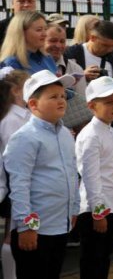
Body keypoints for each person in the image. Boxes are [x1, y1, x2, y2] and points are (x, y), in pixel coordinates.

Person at [4, 70, 78, 278]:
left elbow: (72, 173)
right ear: (34, 104)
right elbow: (19, 184)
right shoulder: (24, 137)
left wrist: (74, 208)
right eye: (53, 97)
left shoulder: (65, 134)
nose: (61, 100)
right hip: (36, 228)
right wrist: (26, 226)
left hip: (60, 224)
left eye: (63, 96)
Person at [75, 77, 113, 279]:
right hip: (95, 209)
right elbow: (91, 177)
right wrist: (99, 213)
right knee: (92, 259)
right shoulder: (90, 135)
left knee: (104, 257)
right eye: (108, 102)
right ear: (91, 105)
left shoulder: (112, 132)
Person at [0, 67, 30, 279]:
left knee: (16, 230)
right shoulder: (11, 118)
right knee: (12, 232)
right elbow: (14, 152)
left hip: (20, 178)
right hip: (13, 180)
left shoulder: (24, 114)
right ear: (17, 91)